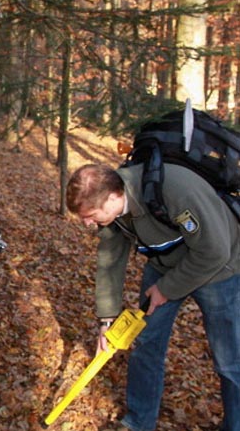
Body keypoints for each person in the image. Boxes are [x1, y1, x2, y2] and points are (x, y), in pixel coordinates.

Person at [66, 163, 240, 431]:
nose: (88, 223)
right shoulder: (113, 213)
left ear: (113, 197)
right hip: (163, 264)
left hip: (220, 269)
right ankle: (138, 422)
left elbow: (214, 252)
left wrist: (166, 289)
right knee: (146, 344)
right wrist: (107, 319)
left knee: (229, 358)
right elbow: (110, 261)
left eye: (90, 215)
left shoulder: (175, 190)